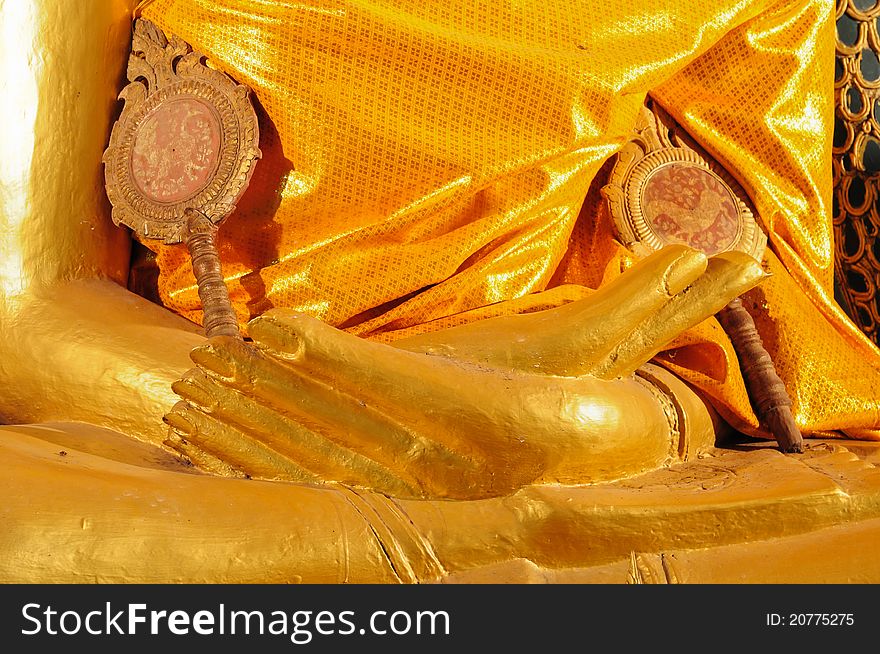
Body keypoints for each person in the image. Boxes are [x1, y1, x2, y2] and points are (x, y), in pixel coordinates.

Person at [1, 0, 879, 583]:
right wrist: (309, 415)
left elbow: (753, 326)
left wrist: (580, 414)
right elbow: (25, 305)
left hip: (593, 416)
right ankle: (517, 542)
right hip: (175, 415)